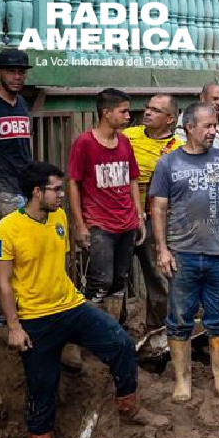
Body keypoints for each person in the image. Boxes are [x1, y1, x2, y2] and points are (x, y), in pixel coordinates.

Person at [0, 163, 167, 438]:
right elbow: (2, 285)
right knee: (41, 386)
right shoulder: (6, 230)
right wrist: (14, 328)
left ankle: (129, 408)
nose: (62, 194)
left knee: (121, 343)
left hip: (71, 307)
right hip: (35, 319)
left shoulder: (58, 217)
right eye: (56, 189)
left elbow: (61, 264)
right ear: (36, 192)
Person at [149, 103, 219, 403]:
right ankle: (183, 380)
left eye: (215, 127)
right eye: (207, 126)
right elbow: (158, 208)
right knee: (180, 318)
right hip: (182, 254)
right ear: (189, 127)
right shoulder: (168, 164)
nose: (213, 131)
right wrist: (162, 250)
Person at [68, 88, 146, 322]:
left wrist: (138, 216)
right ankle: (88, 332)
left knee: (119, 280)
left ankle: (114, 331)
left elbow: (132, 179)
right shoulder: (84, 143)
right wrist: (80, 224)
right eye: (123, 112)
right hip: (99, 224)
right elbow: (74, 184)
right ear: (106, 112)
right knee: (100, 281)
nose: (128, 117)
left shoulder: (124, 142)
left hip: (127, 223)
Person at [0, 49, 34, 328]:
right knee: (0, 254)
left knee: (22, 253)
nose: (17, 77)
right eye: (11, 71)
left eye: (21, 72)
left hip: (22, 187)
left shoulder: (21, 104)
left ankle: (14, 312)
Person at [124, 94, 180, 341]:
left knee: (159, 278)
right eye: (147, 108)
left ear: (170, 119)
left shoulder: (178, 149)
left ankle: (156, 333)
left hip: (157, 220)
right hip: (122, 216)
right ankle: (115, 331)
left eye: (156, 110)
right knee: (113, 278)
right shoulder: (127, 136)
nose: (147, 113)